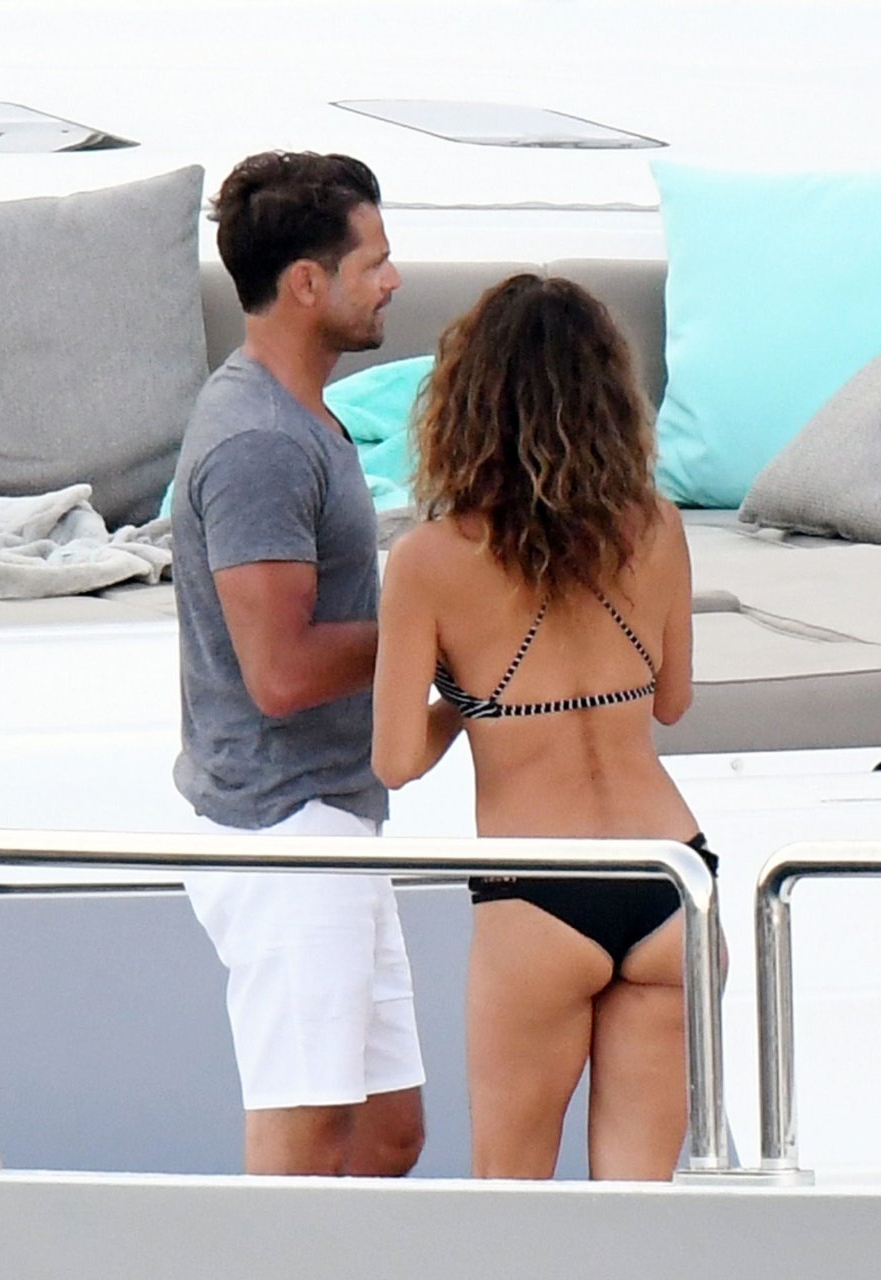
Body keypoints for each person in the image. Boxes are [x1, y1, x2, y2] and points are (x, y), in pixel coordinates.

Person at [371, 273, 720, 1180]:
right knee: (637, 1207)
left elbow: (396, 760)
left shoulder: (429, 561)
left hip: (539, 889)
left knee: (511, 1200)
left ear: (467, 405)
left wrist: (472, 701)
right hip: (672, 877)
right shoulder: (658, 526)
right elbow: (672, 701)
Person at [170, 151, 424, 1177]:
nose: (393, 280)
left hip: (334, 812)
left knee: (388, 1132)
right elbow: (278, 672)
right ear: (308, 282)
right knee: (306, 1137)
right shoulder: (261, 442)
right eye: (374, 261)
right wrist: (436, 628)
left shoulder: (305, 416)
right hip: (284, 829)